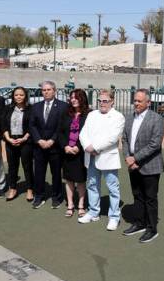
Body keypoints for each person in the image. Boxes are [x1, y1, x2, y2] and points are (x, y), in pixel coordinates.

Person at [122, 89, 164, 243]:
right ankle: (139, 223)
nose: (136, 103)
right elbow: (125, 139)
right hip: (132, 164)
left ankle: (152, 229)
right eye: (135, 100)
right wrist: (127, 156)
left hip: (150, 165)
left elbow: (155, 144)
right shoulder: (129, 118)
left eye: (140, 101)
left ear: (148, 103)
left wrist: (135, 159)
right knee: (137, 195)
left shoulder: (157, 119)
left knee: (150, 198)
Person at [79, 89, 126, 230]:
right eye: (99, 100)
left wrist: (95, 148)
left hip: (107, 157)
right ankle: (93, 212)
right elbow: (83, 133)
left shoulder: (118, 116)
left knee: (113, 188)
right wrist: (87, 146)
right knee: (92, 185)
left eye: (105, 101)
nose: (102, 103)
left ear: (112, 101)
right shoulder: (92, 114)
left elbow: (112, 138)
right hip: (91, 156)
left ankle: (114, 217)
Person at [28, 80, 68, 209]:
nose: (46, 92)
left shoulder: (63, 106)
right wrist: (39, 140)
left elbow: (61, 127)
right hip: (39, 147)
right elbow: (32, 125)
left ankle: (56, 196)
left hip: (55, 147)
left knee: (56, 173)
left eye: (48, 89)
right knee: (39, 172)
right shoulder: (36, 106)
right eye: (44, 90)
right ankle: (39, 196)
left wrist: (52, 140)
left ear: (54, 91)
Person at [60, 89, 90, 218]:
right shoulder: (66, 113)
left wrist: (79, 147)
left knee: (81, 180)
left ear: (82, 99)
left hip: (81, 153)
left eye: (76, 97)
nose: (73, 99)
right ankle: (70, 204)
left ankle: (81, 205)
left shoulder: (89, 114)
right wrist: (65, 146)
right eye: (71, 97)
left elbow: (90, 133)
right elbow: (60, 132)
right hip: (67, 152)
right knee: (69, 180)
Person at [2, 86, 35, 202]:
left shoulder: (31, 109)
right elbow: (4, 125)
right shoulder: (7, 108)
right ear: (13, 96)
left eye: (21, 95)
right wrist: (8, 138)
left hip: (25, 142)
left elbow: (32, 126)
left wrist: (24, 138)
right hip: (10, 141)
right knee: (12, 166)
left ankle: (30, 189)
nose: (18, 97)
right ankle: (13, 188)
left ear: (25, 96)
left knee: (27, 166)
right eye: (16, 95)